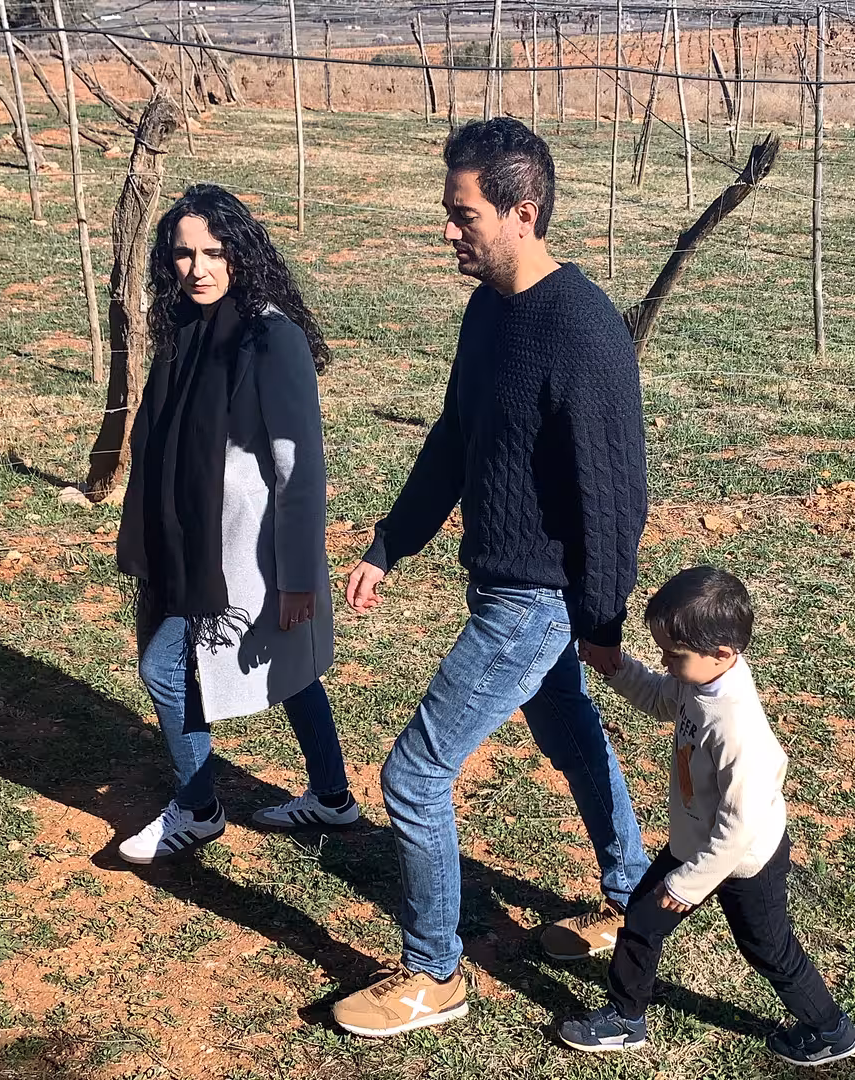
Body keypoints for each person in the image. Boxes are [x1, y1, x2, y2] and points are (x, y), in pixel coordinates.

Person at [328, 118, 652, 1038]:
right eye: (448, 212)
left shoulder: (583, 329)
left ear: (523, 211)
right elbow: (455, 441)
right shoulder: (489, 312)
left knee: (414, 775)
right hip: (503, 582)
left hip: (537, 598)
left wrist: (600, 617)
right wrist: (390, 542)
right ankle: (632, 895)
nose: (449, 230)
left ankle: (435, 973)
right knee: (570, 736)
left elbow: (614, 492)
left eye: (462, 214)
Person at [113, 184, 361, 866]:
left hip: (242, 555)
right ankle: (334, 796)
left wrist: (299, 578)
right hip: (186, 541)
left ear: (241, 254)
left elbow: (298, 469)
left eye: (215, 252)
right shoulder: (184, 330)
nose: (198, 268)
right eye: (185, 254)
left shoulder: (267, 337)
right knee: (295, 670)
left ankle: (197, 809)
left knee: (165, 670)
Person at [557, 567, 855, 1067]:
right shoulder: (700, 682)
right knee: (640, 918)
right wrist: (617, 668)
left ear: (723, 653)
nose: (665, 663)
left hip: (742, 861)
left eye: (674, 656)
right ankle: (625, 1017)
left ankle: (830, 1030)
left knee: (768, 948)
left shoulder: (738, 729)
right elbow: (661, 698)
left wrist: (687, 884)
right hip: (694, 841)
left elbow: (738, 828)